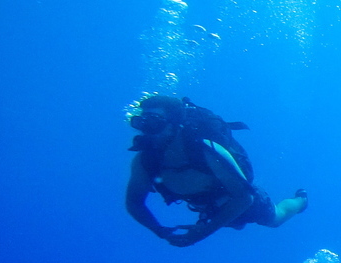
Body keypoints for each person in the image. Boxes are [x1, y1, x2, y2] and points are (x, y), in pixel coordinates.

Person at [125, 95, 308, 247]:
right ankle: (234, 222)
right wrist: (157, 230)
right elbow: (135, 202)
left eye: (154, 123)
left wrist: (200, 234)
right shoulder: (145, 161)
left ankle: (301, 200)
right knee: (235, 224)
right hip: (208, 208)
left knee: (275, 219)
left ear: (175, 123)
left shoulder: (206, 150)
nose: (147, 131)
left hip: (239, 201)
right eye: (141, 123)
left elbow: (244, 198)